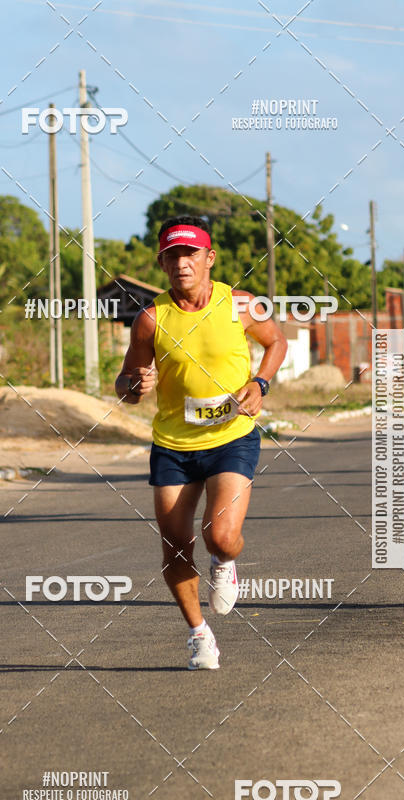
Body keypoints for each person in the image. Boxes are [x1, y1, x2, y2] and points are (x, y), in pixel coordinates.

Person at [115, 215, 287, 669]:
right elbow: (125, 383)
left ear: (209, 258)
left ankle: (224, 561)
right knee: (175, 544)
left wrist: (260, 383)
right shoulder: (151, 319)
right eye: (171, 256)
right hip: (174, 445)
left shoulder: (240, 305)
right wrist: (134, 385)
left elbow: (276, 343)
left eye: (189, 254)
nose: (181, 264)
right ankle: (198, 634)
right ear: (162, 263)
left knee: (221, 537)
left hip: (232, 437)